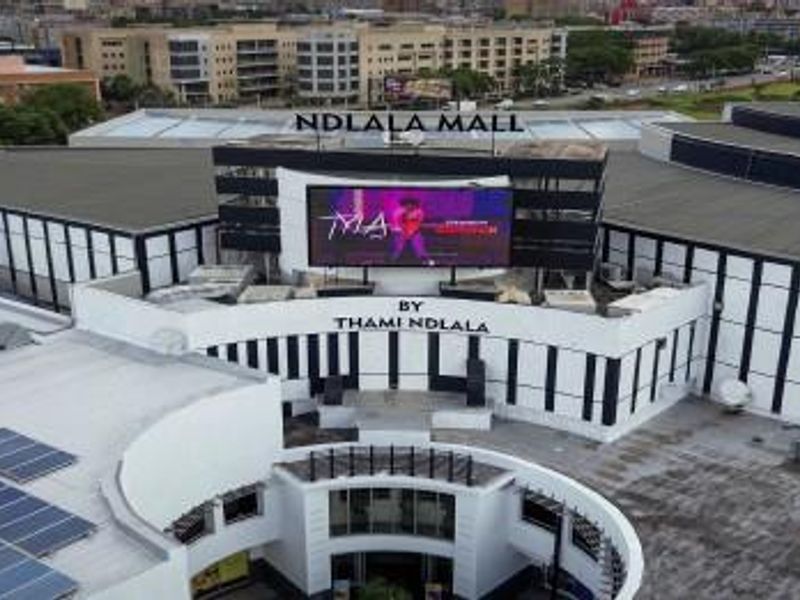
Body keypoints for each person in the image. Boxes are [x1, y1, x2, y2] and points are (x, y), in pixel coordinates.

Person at [390, 196, 433, 265]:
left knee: (418, 241)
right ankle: (393, 260)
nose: (409, 206)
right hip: (402, 232)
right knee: (398, 242)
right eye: (407, 204)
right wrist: (404, 232)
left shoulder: (419, 212)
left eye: (411, 204)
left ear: (414, 205)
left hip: (414, 232)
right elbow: (397, 222)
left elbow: (417, 223)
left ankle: (425, 259)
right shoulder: (399, 212)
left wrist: (411, 233)